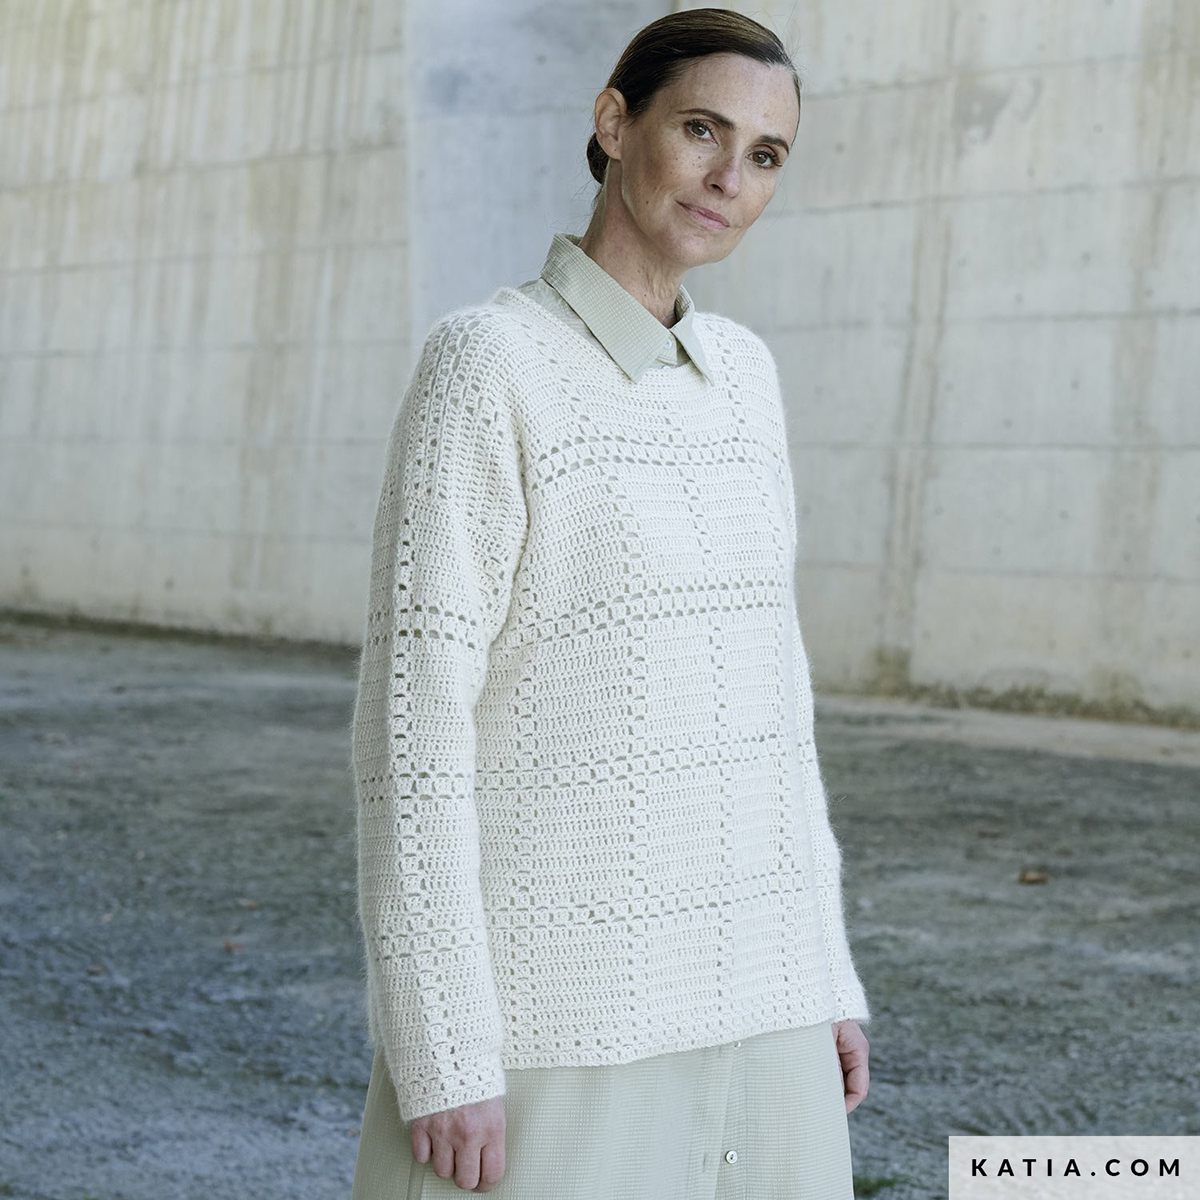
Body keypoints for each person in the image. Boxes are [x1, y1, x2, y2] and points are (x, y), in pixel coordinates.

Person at [349, 9, 871, 1198]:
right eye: (702, 130)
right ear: (614, 122)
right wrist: (441, 1045)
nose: (730, 179)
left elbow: (775, 716)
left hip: (765, 1009)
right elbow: (410, 741)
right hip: (560, 1024)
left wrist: (824, 976)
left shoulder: (746, 380)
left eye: (766, 155)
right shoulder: (488, 365)